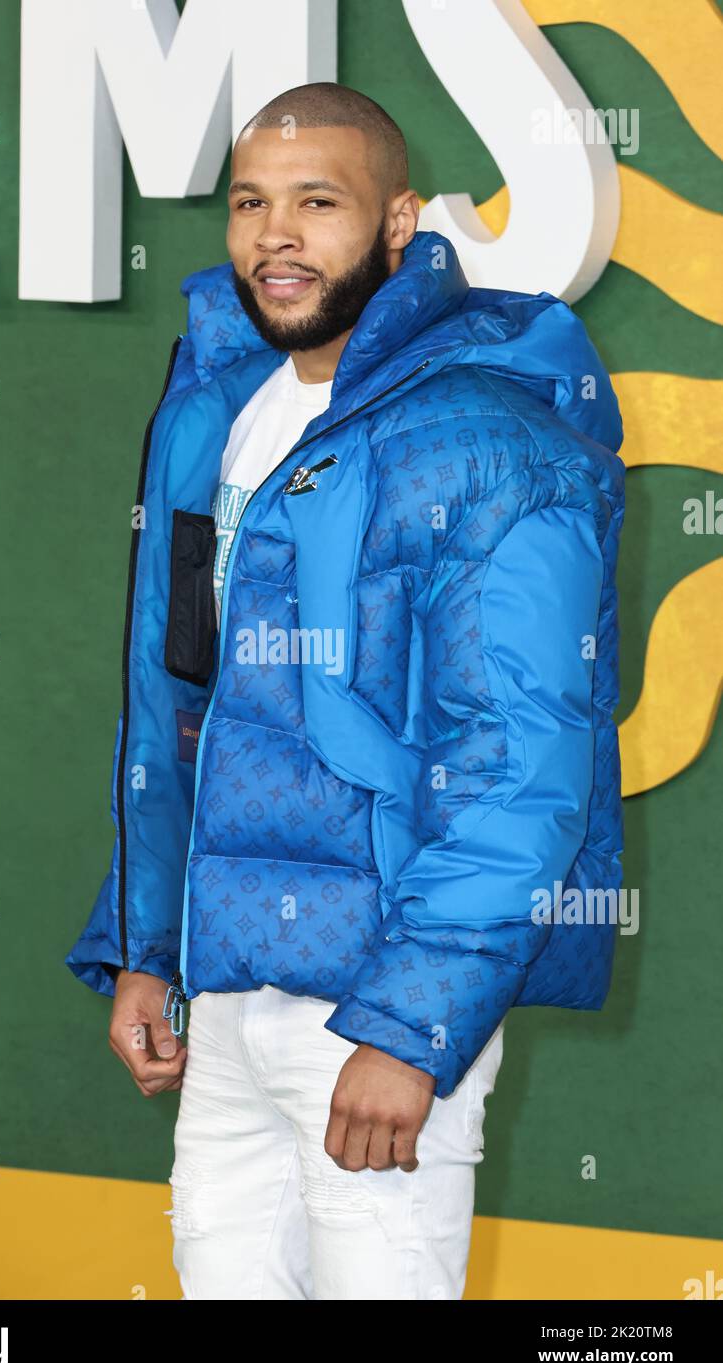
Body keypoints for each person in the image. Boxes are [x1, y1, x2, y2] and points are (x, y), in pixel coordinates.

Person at [65, 82, 625, 1300]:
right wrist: (147, 948)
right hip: (226, 1000)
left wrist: (411, 1026)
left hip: (376, 1009)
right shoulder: (219, 414)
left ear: (397, 221)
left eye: (317, 203)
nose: (275, 235)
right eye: (249, 203)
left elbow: (520, 767)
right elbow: (183, 706)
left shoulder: (488, 440)